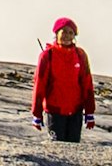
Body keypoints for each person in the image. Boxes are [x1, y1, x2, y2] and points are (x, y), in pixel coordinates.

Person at [32, 15, 97, 145]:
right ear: (56, 33)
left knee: (73, 148)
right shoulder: (47, 56)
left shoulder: (80, 55)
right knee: (56, 148)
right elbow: (40, 84)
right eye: (64, 32)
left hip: (75, 112)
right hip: (54, 112)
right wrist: (37, 114)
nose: (67, 36)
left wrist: (89, 112)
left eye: (71, 32)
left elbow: (87, 84)